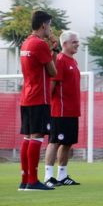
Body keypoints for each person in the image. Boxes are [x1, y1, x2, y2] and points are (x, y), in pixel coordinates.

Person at [19, 10, 58, 191]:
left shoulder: (26, 43)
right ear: (44, 25)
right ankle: (33, 181)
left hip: (26, 96)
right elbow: (53, 71)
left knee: (28, 137)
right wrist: (54, 48)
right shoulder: (40, 44)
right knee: (37, 138)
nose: (50, 29)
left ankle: (25, 180)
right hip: (39, 97)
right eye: (49, 25)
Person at [44, 31, 81, 188]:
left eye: (77, 41)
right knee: (54, 142)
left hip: (72, 111)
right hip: (60, 111)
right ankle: (48, 176)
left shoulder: (73, 61)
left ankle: (62, 176)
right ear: (64, 44)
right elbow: (51, 85)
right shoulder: (59, 60)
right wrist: (47, 106)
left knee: (67, 143)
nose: (77, 44)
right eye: (74, 42)